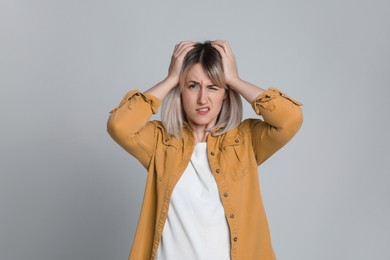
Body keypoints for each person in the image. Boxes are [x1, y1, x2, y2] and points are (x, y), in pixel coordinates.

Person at [107, 40, 303, 260]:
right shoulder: (160, 142)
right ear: (180, 90)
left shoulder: (246, 140)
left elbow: (290, 118)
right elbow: (119, 126)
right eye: (192, 86)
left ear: (225, 93)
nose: (202, 98)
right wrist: (171, 78)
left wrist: (234, 79)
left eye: (213, 87)